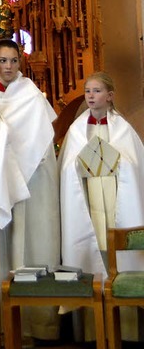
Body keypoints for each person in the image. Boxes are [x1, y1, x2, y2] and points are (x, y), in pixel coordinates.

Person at [0, 39, 60, 341]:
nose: (8, 67)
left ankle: (35, 325)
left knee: (30, 245)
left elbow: (42, 141)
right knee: (1, 250)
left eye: (14, 61)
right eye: (3, 61)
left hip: (29, 183)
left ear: (21, 63)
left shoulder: (31, 95)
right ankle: (1, 324)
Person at [59, 71, 144, 341]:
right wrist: (80, 165)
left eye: (96, 91)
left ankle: (127, 331)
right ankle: (92, 332)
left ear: (110, 96)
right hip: (89, 200)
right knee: (92, 252)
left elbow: (135, 163)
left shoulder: (123, 128)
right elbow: (66, 170)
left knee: (117, 254)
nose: (91, 96)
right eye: (87, 91)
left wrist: (117, 161)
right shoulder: (76, 130)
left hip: (117, 198)